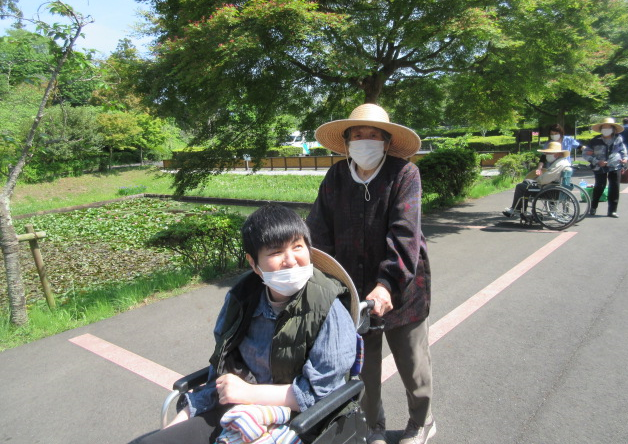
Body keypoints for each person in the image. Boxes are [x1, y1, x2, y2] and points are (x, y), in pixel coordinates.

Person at [139, 204, 357, 444]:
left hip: (302, 421)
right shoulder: (241, 300)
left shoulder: (329, 308)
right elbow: (222, 375)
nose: (291, 260)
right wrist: (177, 423)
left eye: (297, 246)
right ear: (254, 264)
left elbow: (321, 393)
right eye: (275, 252)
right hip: (238, 407)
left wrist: (249, 393)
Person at [305, 104, 434, 444]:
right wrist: (320, 279)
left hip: (403, 286)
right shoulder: (336, 176)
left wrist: (387, 285)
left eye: (373, 135)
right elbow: (318, 231)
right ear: (346, 142)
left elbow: (405, 234)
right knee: (363, 366)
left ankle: (422, 422)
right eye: (357, 135)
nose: (364, 140)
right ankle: (373, 425)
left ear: (387, 142)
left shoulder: (404, 174)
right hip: (353, 288)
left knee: (412, 361)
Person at [502, 141, 572, 217]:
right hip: (556, 187)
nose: (546, 155)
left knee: (520, 187)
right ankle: (519, 209)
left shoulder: (558, 164)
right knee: (526, 182)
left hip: (549, 190)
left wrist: (537, 179)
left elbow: (544, 179)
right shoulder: (564, 162)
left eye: (548, 153)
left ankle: (518, 209)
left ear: (557, 154)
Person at [583, 117, 628, 218]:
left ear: (613, 129)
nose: (606, 129)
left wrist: (624, 159)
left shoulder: (618, 139)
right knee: (600, 186)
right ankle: (593, 206)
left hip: (615, 165)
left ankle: (612, 210)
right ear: (601, 129)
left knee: (615, 187)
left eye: (608, 127)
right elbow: (586, 154)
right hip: (599, 167)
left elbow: (623, 151)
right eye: (604, 127)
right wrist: (596, 161)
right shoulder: (595, 141)